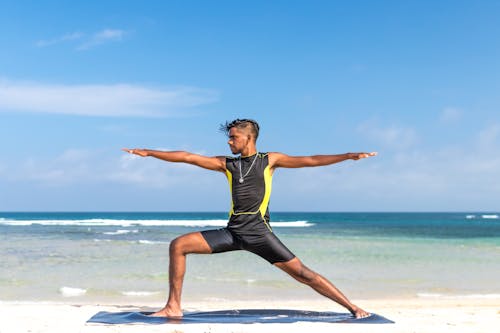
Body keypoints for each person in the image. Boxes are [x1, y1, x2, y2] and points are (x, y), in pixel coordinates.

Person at [123, 119, 376, 319]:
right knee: (178, 245)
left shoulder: (269, 161)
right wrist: (149, 152)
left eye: (234, 137)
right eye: (229, 138)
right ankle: (173, 306)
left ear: (249, 138)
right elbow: (188, 156)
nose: (230, 142)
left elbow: (310, 160)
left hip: (259, 234)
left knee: (304, 275)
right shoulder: (227, 165)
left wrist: (347, 155)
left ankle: (352, 307)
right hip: (232, 233)